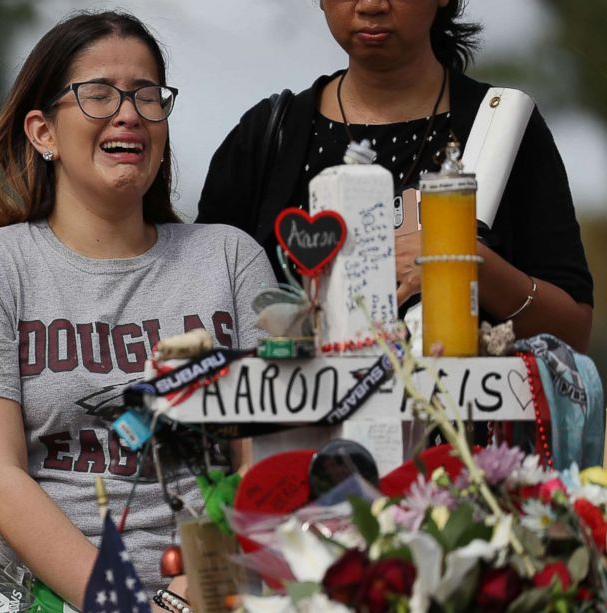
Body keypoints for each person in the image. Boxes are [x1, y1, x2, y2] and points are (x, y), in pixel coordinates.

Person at [0, 11, 278, 613]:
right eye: (98, 94)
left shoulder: (230, 258)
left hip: (223, 607)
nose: (128, 113)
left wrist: (189, 602)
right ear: (42, 131)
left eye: (146, 95)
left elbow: (264, 458)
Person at [197, 0, 593, 351]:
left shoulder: (502, 128)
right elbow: (201, 313)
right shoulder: (268, 137)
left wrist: (466, 263)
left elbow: (572, 331)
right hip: (299, 432)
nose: (371, 5)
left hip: (462, 431)